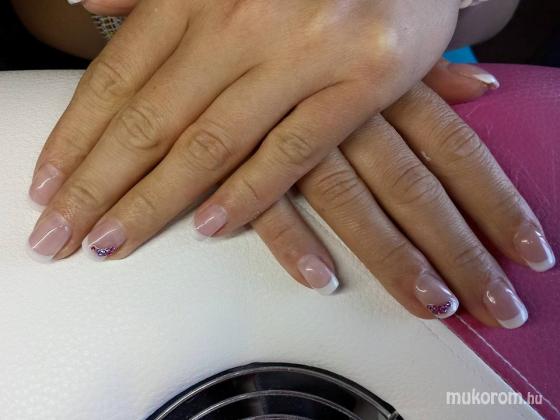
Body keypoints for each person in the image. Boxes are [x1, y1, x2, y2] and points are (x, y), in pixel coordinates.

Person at [15, 0, 555, 329]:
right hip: (133, 81)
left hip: (400, 52)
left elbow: (499, 12)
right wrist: (212, 52)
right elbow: (43, 14)